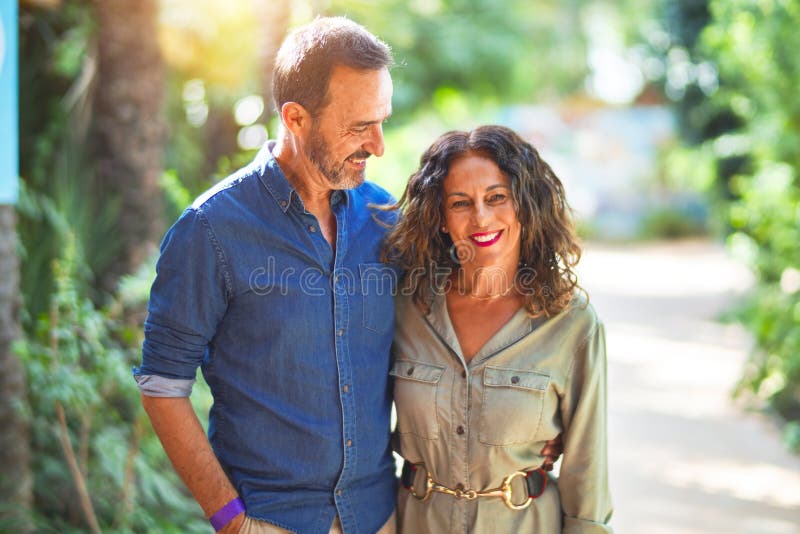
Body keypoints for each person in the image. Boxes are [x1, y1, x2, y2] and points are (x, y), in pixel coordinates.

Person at [133, 17, 399, 534]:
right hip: (271, 521)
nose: (379, 145)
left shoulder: (386, 219)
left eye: (383, 120)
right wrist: (232, 521)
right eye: (358, 126)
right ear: (295, 118)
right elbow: (163, 387)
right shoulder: (210, 231)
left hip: (379, 517)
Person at [383, 125, 613, 532]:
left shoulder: (572, 324)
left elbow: (587, 474)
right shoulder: (405, 308)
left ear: (524, 205)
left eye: (496, 197)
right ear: (440, 218)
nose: (481, 218)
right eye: (460, 203)